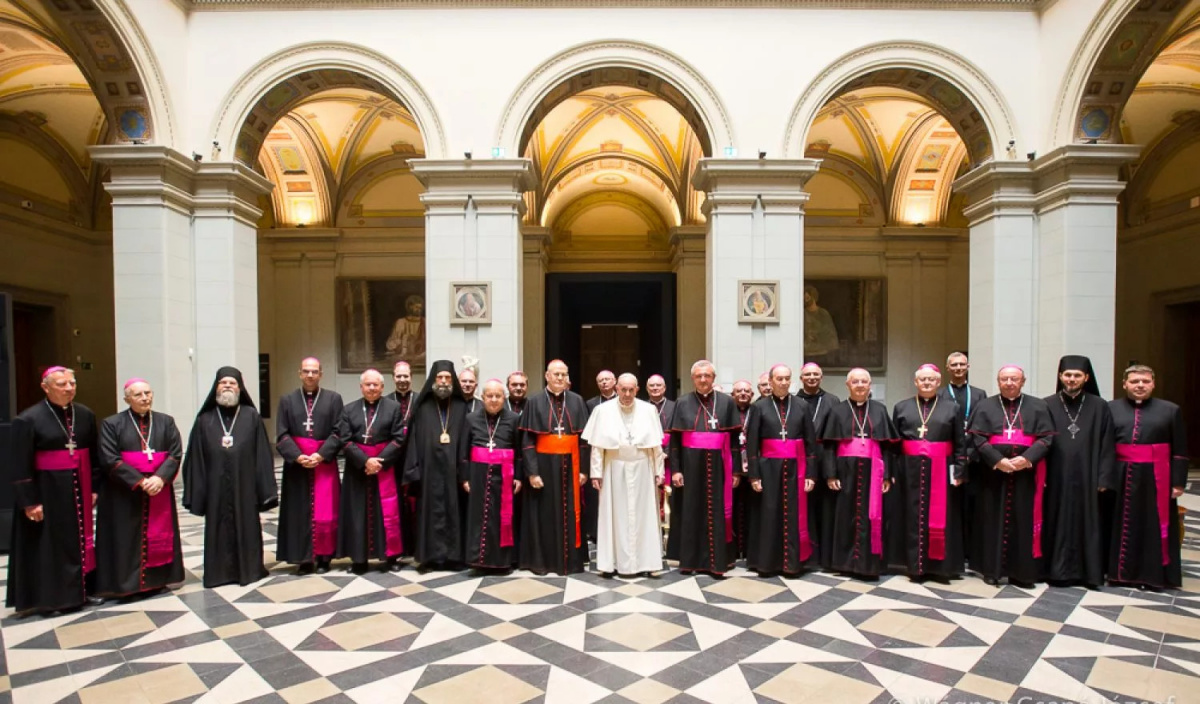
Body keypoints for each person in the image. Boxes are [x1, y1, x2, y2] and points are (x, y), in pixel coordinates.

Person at [6, 367, 103, 615]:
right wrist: (30, 502)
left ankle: (82, 591)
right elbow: (19, 464)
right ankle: (52, 599)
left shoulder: (85, 414)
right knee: (49, 545)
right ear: (46, 387)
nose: (69, 388)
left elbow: (93, 455)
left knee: (80, 541)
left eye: (72, 383)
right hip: (46, 493)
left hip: (78, 488)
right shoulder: (27, 419)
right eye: (62, 384)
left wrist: (94, 488)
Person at [182, 367, 278, 588]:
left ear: (239, 387)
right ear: (216, 387)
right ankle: (218, 574)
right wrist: (198, 491)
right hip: (215, 488)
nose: (227, 386)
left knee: (247, 525)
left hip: (245, 486)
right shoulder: (204, 419)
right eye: (223, 382)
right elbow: (196, 457)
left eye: (232, 383)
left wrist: (264, 490)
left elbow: (263, 454)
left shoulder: (251, 416)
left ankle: (250, 570)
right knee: (217, 527)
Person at [95, 378, 185, 599]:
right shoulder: (112, 424)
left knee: (158, 533)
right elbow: (109, 458)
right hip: (124, 494)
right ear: (127, 399)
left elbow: (175, 452)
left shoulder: (166, 422)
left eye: (148, 393)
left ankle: (158, 581)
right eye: (138, 395)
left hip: (158, 490)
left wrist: (160, 479)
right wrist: (140, 481)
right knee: (125, 538)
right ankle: (127, 585)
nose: (145, 398)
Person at [966, 365, 1054, 587]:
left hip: (1026, 476)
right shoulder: (985, 406)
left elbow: (1046, 439)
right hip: (992, 475)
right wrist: (997, 460)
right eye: (1004, 379)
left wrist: (1027, 459)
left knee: (1023, 521)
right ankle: (991, 570)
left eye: (1014, 379)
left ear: (1023, 381)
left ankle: (1021, 573)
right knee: (991, 521)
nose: (1009, 383)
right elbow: (977, 438)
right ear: (998, 381)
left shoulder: (1038, 406)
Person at [1108, 364, 1188, 590]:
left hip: (1157, 477)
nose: (1140, 385)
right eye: (1134, 381)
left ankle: (1153, 575)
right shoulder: (1111, 408)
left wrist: (1178, 482)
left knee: (1153, 525)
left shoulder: (1170, 410)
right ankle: (1119, 574)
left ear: (1153, 383)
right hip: (1121, 474)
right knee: (1120, 524)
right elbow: (1104, 445)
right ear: (1124, 384)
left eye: (1145, 381)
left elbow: (1180, 449)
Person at [1042, 355, 1115, 588]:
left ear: (1086, 378)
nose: (1071, 379)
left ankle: (1089, 574)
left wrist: (1104, 477)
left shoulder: (1100, 405)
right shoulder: (1047, 404)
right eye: (1067, 375)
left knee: (1088, 523)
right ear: (1060, 377)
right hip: (1055, 476)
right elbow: (1040, 442)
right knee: (1055, 520)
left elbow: (1107, 443)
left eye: (1076, 375)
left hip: (1089, 475)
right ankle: (1055, 571)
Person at [892, 365, 968, 583]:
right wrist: (894, 472)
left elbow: (960, 443)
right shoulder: (902, 407)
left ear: (938, 382)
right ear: (915, 382)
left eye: (931, 380)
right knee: (911, 515)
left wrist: (960, 469)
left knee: (942, 516)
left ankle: (940, 566)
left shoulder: (952, 408)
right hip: (909, 471)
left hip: (941, 470)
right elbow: (895, 444)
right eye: (922, 379)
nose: (926, 383)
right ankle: (913, 566)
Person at [583, 373, 665, 577]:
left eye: (631, 390)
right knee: (614, 516)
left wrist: (659, 471)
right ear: (617, 388)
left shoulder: (649, 410)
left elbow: (656, 446)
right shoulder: (602, 411)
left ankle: (649, 563)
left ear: (637, 390)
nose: (627, 394)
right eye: (623, 389)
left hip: (643, 468)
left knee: (645, 516)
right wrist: (596, 473)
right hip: (613, 467)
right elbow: (597, 447)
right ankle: (611, 563)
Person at [821, 368, 898, 580]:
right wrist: (831, 474)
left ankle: (869, 562)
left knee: (871, 516)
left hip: (874, 469)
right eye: (855, 381)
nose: (860, 385)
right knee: (845, 516)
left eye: (864, 381)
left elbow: (888, 446)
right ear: (848, 385)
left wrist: (886, 475)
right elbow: (828, 446)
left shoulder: (880, 410)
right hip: (845, 471)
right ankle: (845, 563)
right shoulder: (837, 411)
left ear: (870, 385)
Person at [668, 360, 742, 577]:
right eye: (699, 376)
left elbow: (735, 442)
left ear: (714, 378)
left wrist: (736, 471)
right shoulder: (682, 403)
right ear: (693, 379)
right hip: (691, 468)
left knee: (719, 513)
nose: (703, 379)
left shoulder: (727, 403)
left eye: (707, 376)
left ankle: (718, 562)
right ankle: (690, 561)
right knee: (691, 512)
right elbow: (675, 442)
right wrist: (676, 470)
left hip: (720, 467)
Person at [745, 365, 819, 577]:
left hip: (797, 468)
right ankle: (768, 563)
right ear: (771, 381)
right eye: (779, 378)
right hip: (769, 468)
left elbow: (810, 443)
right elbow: (752, 444)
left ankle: (792, 563)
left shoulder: (802, 406)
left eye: (787, 378)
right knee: (769, 514)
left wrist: (811, 474)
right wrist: (754, 475)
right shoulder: (759, 407)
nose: (784, 382)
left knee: (794, 515)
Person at [518, 359, 591, 575]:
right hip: (543, 466)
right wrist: (532, 473)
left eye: (563, 374)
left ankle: (570, 562)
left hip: (571, 464)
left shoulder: (577, 401)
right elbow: (528, 441)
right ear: (546, 376)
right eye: (555, 374)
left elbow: (585, 441)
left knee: (570, 512)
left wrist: (584, 470)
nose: (559, 378)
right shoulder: (534, 401)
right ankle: (545, 562)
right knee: (544, 515)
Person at [275, 357, 345, 575]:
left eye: (314, 371)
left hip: (323, 465)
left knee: (327, 512)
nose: (310, 375)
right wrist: (297, 456)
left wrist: (321, 455)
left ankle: (324, 557)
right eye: (306, 371)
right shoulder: (287, 400)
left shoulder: (333, 399)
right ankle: (303, 558)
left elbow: (339, 432)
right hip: (298, 468)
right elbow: (282, 434)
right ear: (299, 373)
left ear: (321, 374)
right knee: (299, 512)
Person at [404, 360, 471, 571]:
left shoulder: (461, 407)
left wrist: (465, 471)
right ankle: (430, 556)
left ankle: (454, 557)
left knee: (454, 511)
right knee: (430, 513)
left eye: (447, 378)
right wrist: (413, 469)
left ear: (453, 381)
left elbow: (468, 441)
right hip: (429, 470)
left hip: (454, 471)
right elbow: (413, 439)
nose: (443, 382)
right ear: (433, 380)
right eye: (439, 378)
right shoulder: (422, 407)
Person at [337, 369, 407, 573]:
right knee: (357, 515)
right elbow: (344, 439)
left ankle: (391, 557)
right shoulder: (349, 409)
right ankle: (359, 560)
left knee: (388, 514)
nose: (372, 388)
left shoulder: (393, 408)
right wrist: (365, 461)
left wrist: (379, 462)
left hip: (384, 468)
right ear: (361, 387)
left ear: (382, 387)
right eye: (368, 384)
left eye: (376, 384)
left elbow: (399, 438)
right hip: (358, 470)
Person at [460, 379, 521, 572]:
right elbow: (463, 452)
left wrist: (518, 476)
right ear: (482, 397)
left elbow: (519, 451)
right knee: (478, 517)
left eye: (498, 396)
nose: (494, 400)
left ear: (504, 398)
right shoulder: (471, 418)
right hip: (478, 475)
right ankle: (478, 560)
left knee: (502, 517)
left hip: (505, 475)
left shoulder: (513, 418)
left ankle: (502, 561)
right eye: (490, 396)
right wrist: (465, 477)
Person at [391, 360, 418, 557]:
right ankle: (396, 544)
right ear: (393, 378)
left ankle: (414, 545)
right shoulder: (386, 401)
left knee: (414, 504)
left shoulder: (420, 401)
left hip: (415, 459)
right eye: (399, 376)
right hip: (393, 461)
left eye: (405, 376)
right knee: (395, 504)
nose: (402, 380)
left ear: (411, 377)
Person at [647, 374, 675, 542]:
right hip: (647, 458)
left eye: (658, 385)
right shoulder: (640, 406)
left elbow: (677, 435)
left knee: (668, 496)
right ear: (647, 388)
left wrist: (666, 452)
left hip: (669, 459)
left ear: (664, 388)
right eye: (652, 386)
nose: (655, 388)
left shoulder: (674, 406)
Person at [730, 379, 755, 558]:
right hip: (732, 468)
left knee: (751, 509)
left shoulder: (758, 411)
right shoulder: (727, 412)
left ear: (752, 395)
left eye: (746, 391)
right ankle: (733, 548)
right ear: (733, 395)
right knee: (733, 508)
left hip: (753, 468)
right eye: (739, 391)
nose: (743, 394)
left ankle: (748, 548)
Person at [940, 351, 988, 431]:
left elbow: (983, 420)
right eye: (954, 365)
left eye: (962, 364)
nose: (958, 368)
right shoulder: (939, 394)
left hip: (972, 439)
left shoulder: (979, 394)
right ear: (947, 368)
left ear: (967, 367)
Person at [385, 294, 425, 367]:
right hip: (403, 355)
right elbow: (392, 342)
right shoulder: (401, 322)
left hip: (421, 356)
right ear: (409, 307)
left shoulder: (425, 322)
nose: (418, 310)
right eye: (416, 307)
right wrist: (403, 341)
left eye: (420, 308)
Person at [803, 284, 839, 358]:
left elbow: (830, 333)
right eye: (804, 298)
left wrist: (817, 334)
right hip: (807, 351)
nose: (805, 300)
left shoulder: (823, 313)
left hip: (822, 352)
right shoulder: (802, 313)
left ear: (813, 297)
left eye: (807, 298)